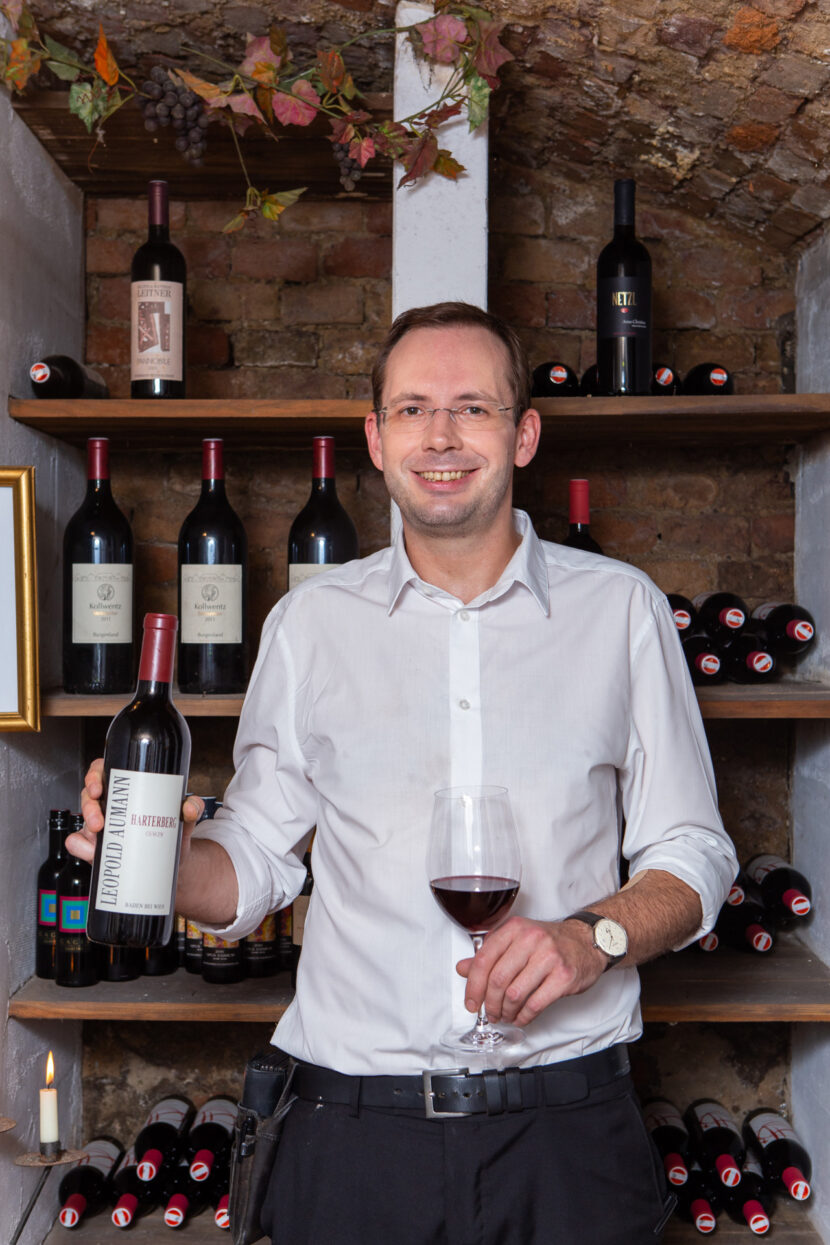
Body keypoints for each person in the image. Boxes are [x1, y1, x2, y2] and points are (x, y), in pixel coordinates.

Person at [74, 302, 737, 1245]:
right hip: (354, 1137)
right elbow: (254, 859)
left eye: (473, 407)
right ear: (377, 439)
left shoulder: (621, 610)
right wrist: (167, 865)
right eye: (414, 408)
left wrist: (592, 937)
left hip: (567, 1133)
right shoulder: (311, 626)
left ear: (524, 434)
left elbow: (696, 853)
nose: (442, 436)